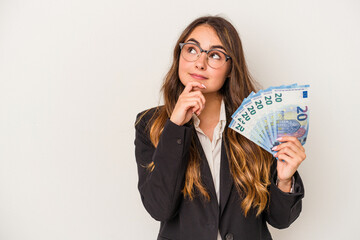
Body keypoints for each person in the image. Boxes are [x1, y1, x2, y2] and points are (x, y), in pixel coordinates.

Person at [134, 15, 305, 240]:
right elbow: (159, 208)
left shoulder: (257, 124)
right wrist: (175, 127)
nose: (200, 63)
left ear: (231, 68)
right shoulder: (150, 124)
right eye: (192, 50)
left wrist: (283, 181)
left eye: (215, 55)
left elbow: (280, 220)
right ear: (179, 56)